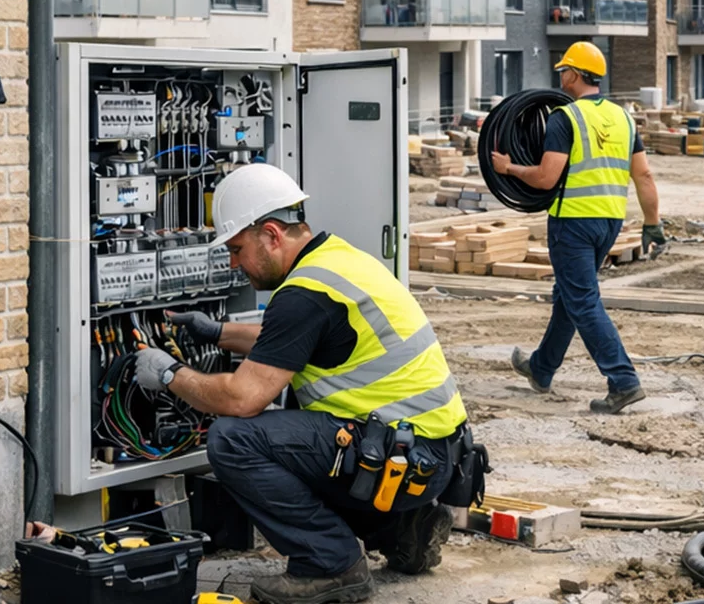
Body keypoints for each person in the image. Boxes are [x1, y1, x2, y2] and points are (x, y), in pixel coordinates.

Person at [130, 163, 471, 604]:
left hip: (402, 461)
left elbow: (241, 399)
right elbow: (293, 342)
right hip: (432, 454)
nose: (234, 264)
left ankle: (329, 565)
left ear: (271, 234)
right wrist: (217, 332)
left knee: (235, 441)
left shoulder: (304, 294)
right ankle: (404, 528)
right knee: (301, 435)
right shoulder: (337, 261)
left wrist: (170, 374)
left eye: (236, 249)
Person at [489, 42, 662, 414]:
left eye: (563, 69)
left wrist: (509, 169)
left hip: (573, 222)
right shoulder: (624, 118)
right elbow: (644, 175)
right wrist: (652, 224)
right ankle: (541, 368)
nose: (560, 75)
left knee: (582, 300)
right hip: (609, 222)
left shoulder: (564, 118)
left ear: (574, 74)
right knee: (569, 295)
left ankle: (623, 381)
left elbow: (545, 177)